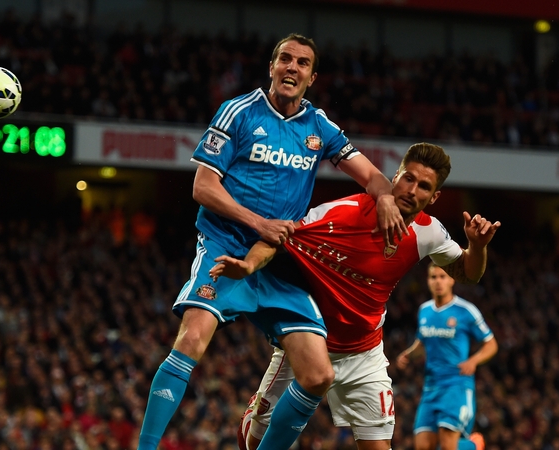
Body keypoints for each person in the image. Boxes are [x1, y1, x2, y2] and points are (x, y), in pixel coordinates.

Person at [136, 33, 406, 450]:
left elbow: (372, 176)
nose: (292, 67)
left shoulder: (319, 127)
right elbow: (203, 187)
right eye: (285, 59)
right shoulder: (238, 112)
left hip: (280, 260)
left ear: (312, 78)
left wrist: (385, 197)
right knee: (191, 339)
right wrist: (258, 223)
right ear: (272, 67)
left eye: (302, 63)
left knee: (318, 375)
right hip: (226, 245)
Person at [208, 143, 500, 450]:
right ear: (395, 176)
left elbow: (467, 273)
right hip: (307, 344)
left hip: (364, 354)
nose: (412, 190)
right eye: (408, 178)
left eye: (424, 186)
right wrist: (249, 264)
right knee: (253, 443)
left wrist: (478, 247)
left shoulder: (429, 232)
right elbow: (280, 236)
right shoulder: (345, 213)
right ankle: (255, 416)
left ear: (434, 197)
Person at [395, 263, 499, 450]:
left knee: (447, 445)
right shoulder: (424, 310)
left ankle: (473, 446)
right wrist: (408, 354)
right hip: (430, 387)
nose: (438, 282)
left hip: (456, 385)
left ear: (452, 280)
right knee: (423, 446)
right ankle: (469, 446)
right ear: (428, 281)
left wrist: (473, 361)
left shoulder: (465, 310)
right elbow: (422, 341)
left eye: (442, 277)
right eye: (433, 277)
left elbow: (491, 344)